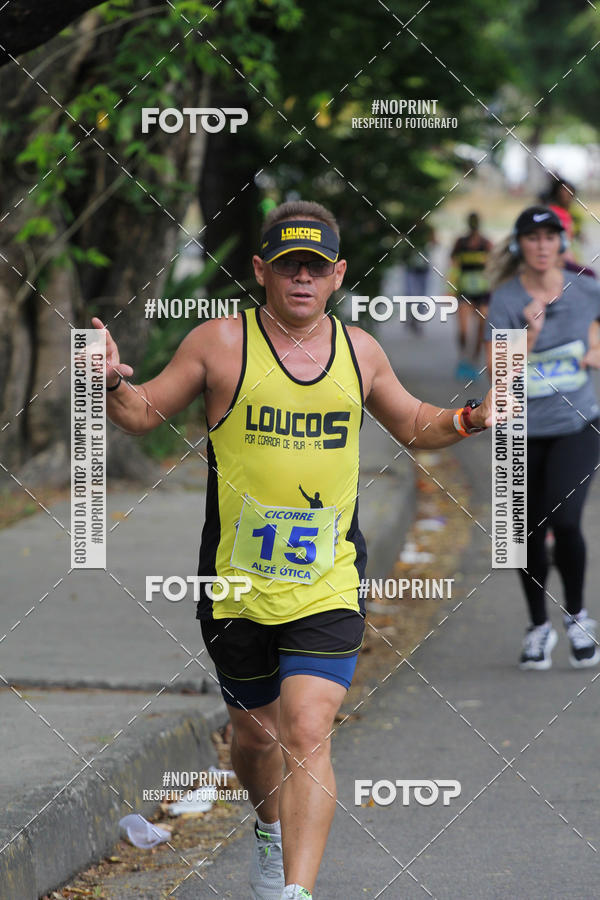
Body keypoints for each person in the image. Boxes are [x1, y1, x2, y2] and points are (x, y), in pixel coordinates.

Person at [94, 200, 494, 900]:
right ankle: (267, 832)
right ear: (261, 271)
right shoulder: (219, 344)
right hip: (236, 582)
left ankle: (294, 893)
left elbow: (413, 424)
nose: (301, 278)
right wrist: (107, 380)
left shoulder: (360, 351)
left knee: (308, 728)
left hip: (328, 578)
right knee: (255, 740)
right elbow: (140, 413)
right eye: (288, 266)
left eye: (315, 266)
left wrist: (467, 416)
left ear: (337, 274)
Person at [485, 206, 600, 671]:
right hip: (519, 429)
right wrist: (527, 338)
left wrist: (596, 347)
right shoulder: (507, 299)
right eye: (531, 238)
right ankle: (538, 628)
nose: (541, 245)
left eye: (549, 236)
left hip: (578, 424)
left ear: (562, 243)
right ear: (519, 245)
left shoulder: (588, 289)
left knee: (565, 518)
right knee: (521, 532)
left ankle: (578, 616)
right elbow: (499, 374)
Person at [450, 212, 492, 379]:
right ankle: (463, 359)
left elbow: (494, 268)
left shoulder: (486, 243)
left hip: (483, 292)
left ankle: (474, 361)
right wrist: (449, 290)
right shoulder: (461, 243)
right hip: (464, 291)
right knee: (463, 330)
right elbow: (452, 268)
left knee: (482, 328)